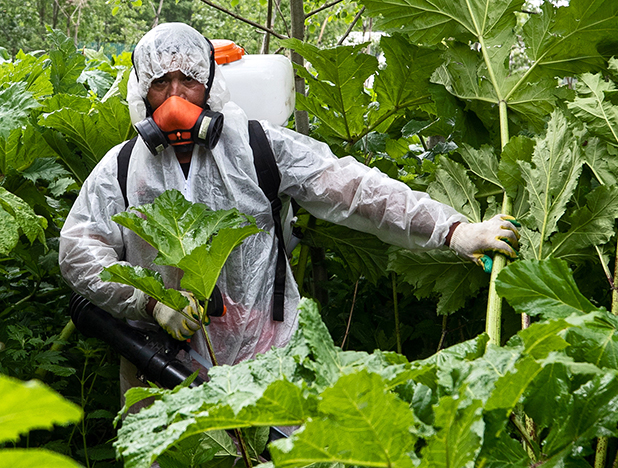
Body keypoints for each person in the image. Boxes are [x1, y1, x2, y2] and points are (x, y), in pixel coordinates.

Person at [58, 23, 519, 399]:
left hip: (265, 360)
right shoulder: (121, 169)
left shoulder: (257, 146)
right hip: (158, 368)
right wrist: (150, 302)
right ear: (141, 92)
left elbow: (356, 189)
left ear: (211, 86)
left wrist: (454, 230)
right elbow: (78, 250)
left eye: (188, 81)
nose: (175, 97)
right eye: (160, 83)